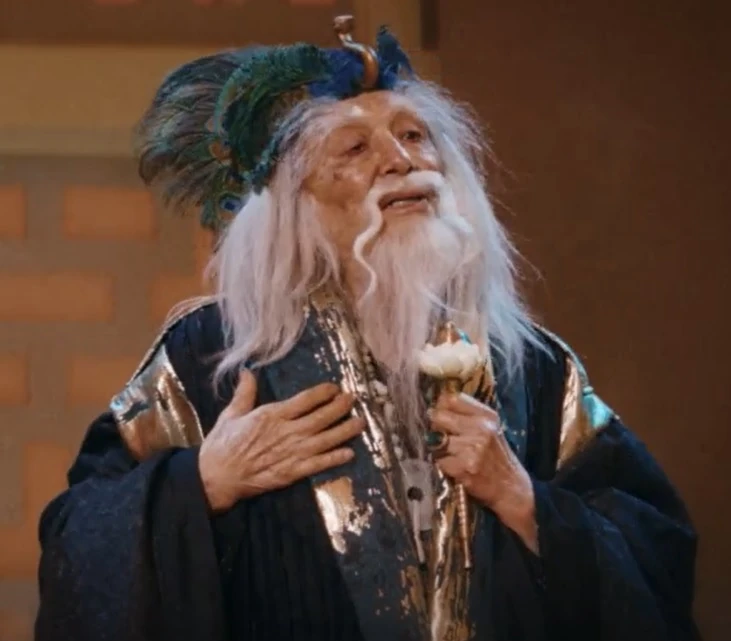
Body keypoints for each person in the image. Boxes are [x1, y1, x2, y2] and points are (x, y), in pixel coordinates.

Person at [35, 15, 700, 641]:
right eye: (355, 147)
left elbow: (655, 555)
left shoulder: (529, 364)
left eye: (414, 136)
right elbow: (77, 546)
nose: (399, 159)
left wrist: (523, 500)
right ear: (295, 207)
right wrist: (203, 482)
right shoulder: (213, 352)